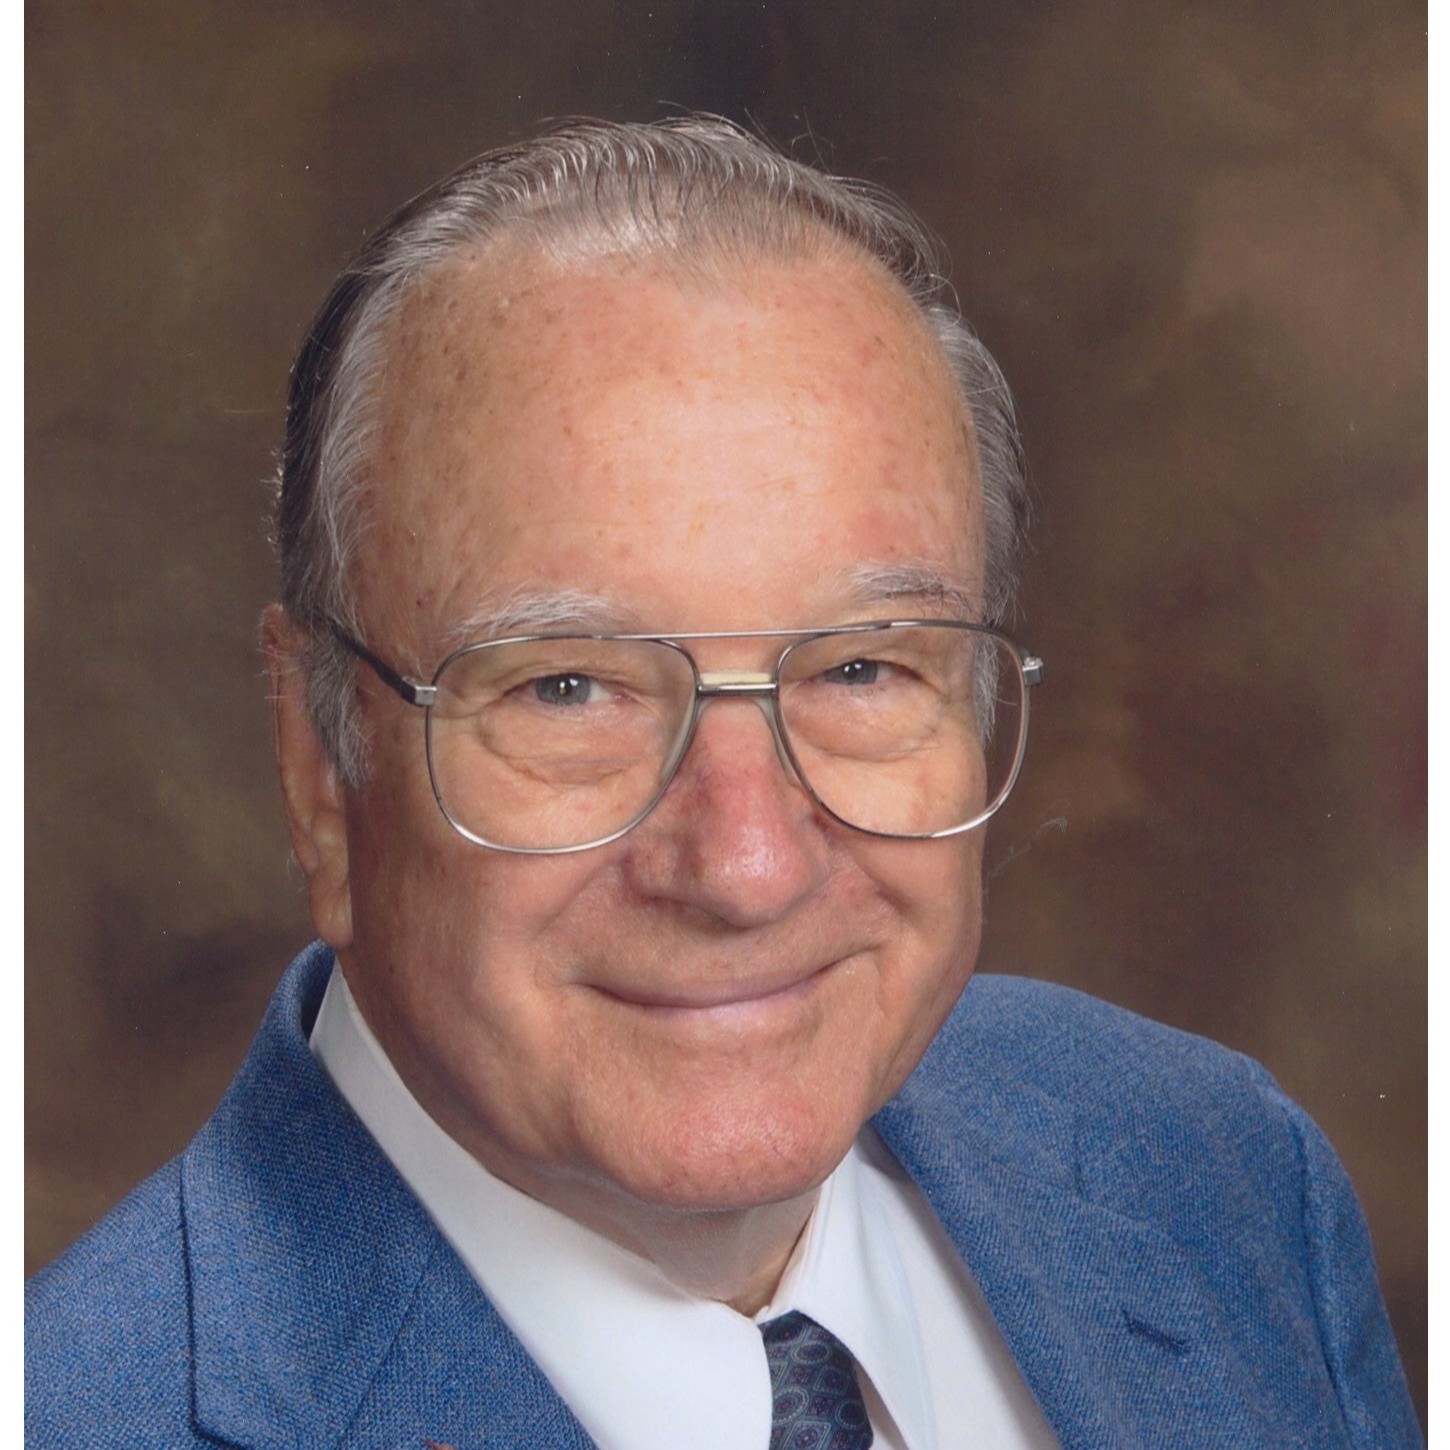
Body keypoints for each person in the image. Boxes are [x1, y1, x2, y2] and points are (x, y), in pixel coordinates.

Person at [26, 116, 1420, 1450]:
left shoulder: (1222, 1179)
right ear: (319, 770)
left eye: (863, 667)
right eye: (568, 688)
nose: (746, 866)